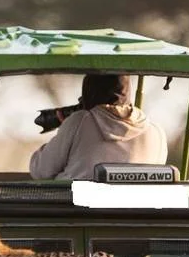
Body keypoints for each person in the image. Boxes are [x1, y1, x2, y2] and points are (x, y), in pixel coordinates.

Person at [29, 74, 168, 180]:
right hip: (135, 210)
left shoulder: (79, 121)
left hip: (75, 209)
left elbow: (40, 170)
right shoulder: (156, 132)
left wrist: (67, 126)